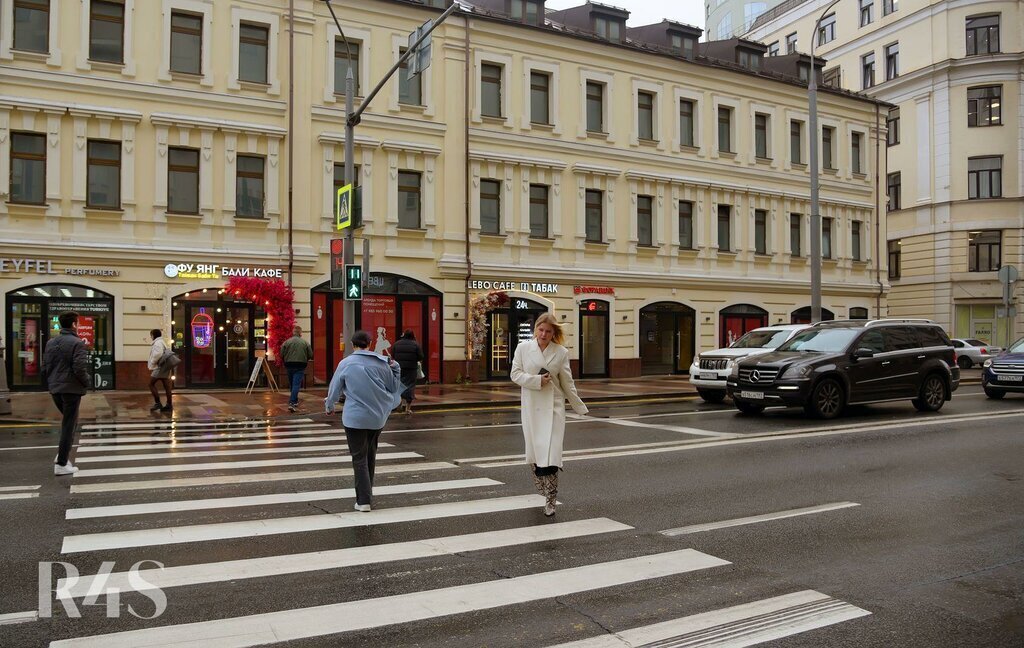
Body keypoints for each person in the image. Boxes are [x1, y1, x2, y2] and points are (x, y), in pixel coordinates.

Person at [510, 313, 588, 517]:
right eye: (541, 329)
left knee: (552, 455)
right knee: (536, 456)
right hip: (532, 406)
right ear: (535, 329)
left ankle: (551, 499)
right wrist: (536, 380)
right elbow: (515, 374)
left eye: (548, 331)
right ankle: (542, 487)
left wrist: (578, 406)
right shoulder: (523, 348)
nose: (543, 334)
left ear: (554, 333)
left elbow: (567, 382)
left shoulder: (561, 352)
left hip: (553, 408)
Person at [324, 330, 404, 512]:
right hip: (378, 417)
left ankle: (363, 500)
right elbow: (393, 387)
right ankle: (367, 494)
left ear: (353, 345)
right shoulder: (382, 364)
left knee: (358, 458)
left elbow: (334, 390)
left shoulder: (346, 363)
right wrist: (396, 368)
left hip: (355, 418)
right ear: (369, 344)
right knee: (370, 455)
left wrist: (330, 407)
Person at [41, 312, 92, 476]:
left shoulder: (50, 343)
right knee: (68, 425)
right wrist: (87, 382)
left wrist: (51, 382)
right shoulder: (77, 343)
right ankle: (61, 463)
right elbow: (80, 368)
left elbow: (45, 366)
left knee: (70, 422)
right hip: (71, 389)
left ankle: (62, 456)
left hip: (55, 388)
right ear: (74, 324)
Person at [280, 325, 314, 413]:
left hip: (289, 364)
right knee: (296, 384)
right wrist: (305, 359)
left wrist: (285, 359)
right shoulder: (305, 343)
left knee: (292, 383)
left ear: (293, 333)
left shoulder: (286, 342)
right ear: (300, 333)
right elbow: (310, 354)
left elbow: (281, 354)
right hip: (300, 365)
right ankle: (292, 402)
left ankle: (294, 400)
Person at [392, 329, 424, 415]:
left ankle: (399, 404)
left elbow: (393, 355)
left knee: (400, 385)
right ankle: (407, 408)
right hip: (411, 369)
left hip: (399, 368)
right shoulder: (415, 345)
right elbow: (421, 356)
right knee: (410, 387)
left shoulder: (397, 344)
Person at [147, 329, 173, 412]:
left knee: (151, 384)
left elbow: (158, 354)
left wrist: (152, 362)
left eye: (151, 335)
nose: (150, 336)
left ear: (154, 335)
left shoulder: (157, 343)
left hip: (159, 367)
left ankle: (158, 403)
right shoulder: (162, 341)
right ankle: (169, 404)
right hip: (165, 367)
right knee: (166, 386)